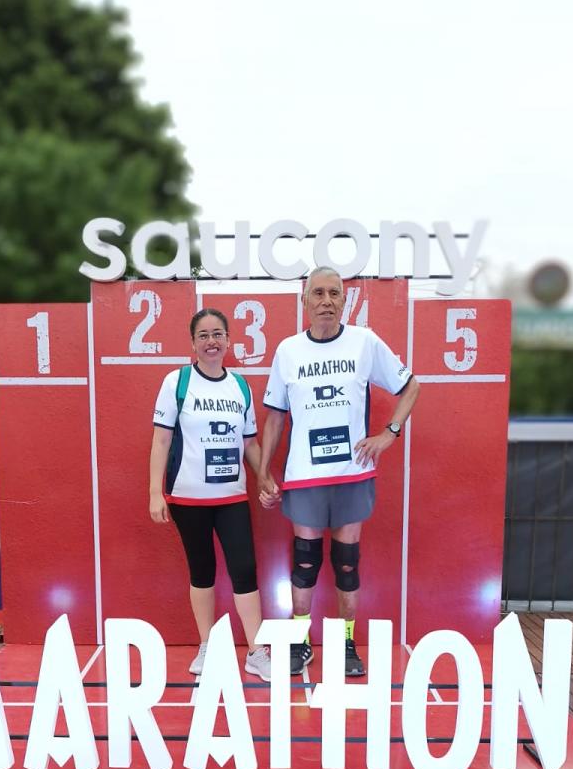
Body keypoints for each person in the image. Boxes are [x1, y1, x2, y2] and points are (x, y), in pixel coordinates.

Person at [258, 266, 420, 676]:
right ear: (305, 301)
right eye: (318, 293)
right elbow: (275, 417)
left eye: (334, 293)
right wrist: (263, 471)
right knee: (305, 563)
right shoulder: (288, 351)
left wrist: (389, 434)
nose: (326, 300)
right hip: (305, 477)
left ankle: (346, 642)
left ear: (344, 300)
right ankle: (300, 640)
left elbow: (410, 386)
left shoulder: (364, 342)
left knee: (347, 563)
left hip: (352, 474)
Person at [149, 307, 270, 681]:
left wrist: (264, 476)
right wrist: (156, 492)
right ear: (193, 343)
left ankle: (255, 651)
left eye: (218, 334)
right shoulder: (177, 382)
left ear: (229, 341)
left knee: (245, 571)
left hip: (232, 496)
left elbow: (249, 442)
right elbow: (162, 439)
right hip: (187, 498)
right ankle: (206, 646)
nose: (211, 341)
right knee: (202, 572)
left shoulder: (240, 386)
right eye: (203, 335)